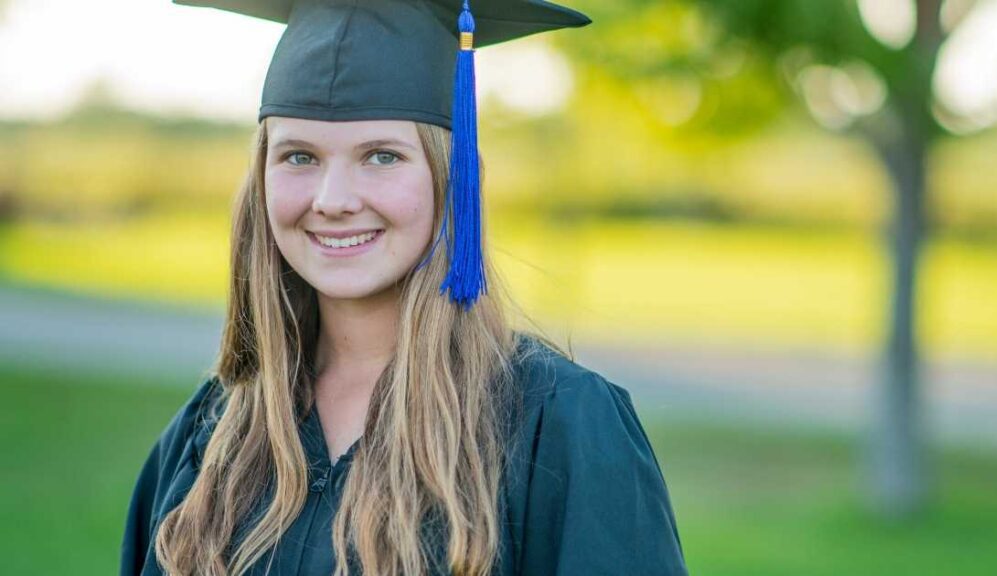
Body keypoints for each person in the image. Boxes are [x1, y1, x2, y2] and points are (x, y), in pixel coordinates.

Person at [121, 1, 689, 575]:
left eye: (382, 156)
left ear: (451, 176)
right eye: (299, 156)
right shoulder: (215, 431)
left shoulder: (557, 426)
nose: (333, 198)